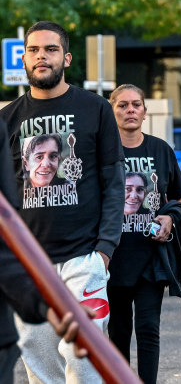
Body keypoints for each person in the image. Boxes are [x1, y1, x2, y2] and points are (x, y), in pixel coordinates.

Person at [0, 21, 125, 383]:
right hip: (28, 264)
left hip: (84, 257)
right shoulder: (7, 119)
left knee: (83, 357)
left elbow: (113, 182)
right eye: (34, 50)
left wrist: (104, 249)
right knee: (39, 364)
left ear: (66, 58)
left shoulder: (96, 108)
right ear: (23, 59)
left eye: (51, 50)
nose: (42, 57)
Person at [107, 84, 181, 384]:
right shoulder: (104, 151)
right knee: (118, 332)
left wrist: (168, 217)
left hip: (152, 257)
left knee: (148, 329)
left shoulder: (160, 150)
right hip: (112, 255)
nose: (130, 110)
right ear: (112, 109)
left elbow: (178, 198)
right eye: (122, 105)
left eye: (136, 105)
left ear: (144, 111)